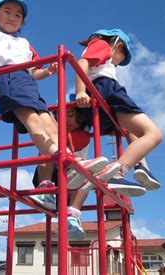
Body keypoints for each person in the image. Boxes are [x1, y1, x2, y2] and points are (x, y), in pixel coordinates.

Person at [0, 0, 62, 209]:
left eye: (18, 15)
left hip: (27, 81)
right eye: (7, 12)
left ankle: (47, 182)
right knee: (34, 122)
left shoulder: (25, 43)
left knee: (52, 125)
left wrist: (47, 71)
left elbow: (34, 70)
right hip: (7, 76)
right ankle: (63, 160)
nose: (12, 17)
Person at [75, 29, 162, 196]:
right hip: (106, 89)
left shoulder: (101, 57)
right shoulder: (102, 46)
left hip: (100, 96)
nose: (118, 63)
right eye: (121, 58)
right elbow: (82, 63)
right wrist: (80, 92)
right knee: (154, 134)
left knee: (130, 130)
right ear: (118, 45)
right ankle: (118, 171)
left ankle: (141, 164)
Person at [32, 95, 119, 239]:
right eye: (60, 115)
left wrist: (50, 122)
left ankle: (72, 215)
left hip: (70, 183)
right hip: (48, 175)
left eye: (70, 115)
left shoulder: (82, 135)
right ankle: (45, 190)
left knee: (86, 176)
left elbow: (62, 138)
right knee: (46, 147)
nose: (65, 119)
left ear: (81, 118)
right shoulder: (58, 132)